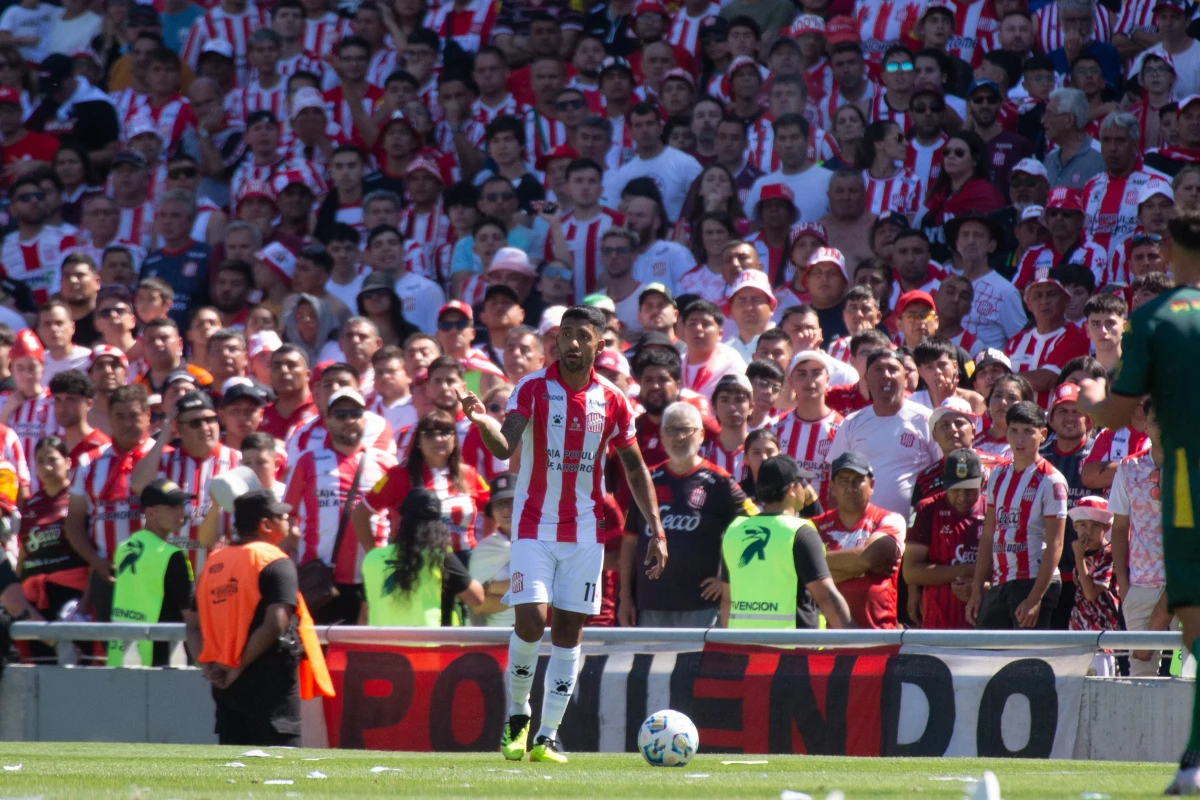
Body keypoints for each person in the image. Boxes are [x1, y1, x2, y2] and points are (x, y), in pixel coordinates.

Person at [457, 305, 666, 764]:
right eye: (564, 335)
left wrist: (656, 528)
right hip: (533, 525)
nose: (571, 344)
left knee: (570, 630)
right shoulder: (531, 389)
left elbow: (635, 468)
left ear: (599, 344)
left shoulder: (612, 399)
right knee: (531, 619)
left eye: (581, 336)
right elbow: (505, 445)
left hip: (586, 531)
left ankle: (548, 735)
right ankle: (518, 715)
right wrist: (481, 421)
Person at [188, 489, 334, 746]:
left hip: (223, 681)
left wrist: (208, 666)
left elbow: (192, 624)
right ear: (266, 524)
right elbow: (276, 621)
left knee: (234, 767)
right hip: (268, 679)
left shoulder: (213, 562)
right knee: (279, 766)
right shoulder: (274, 560)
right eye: (281, 515)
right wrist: (237, 667)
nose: (288, 519)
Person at [620, 401, 757, 628]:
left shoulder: (720, 482)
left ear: (702, 435)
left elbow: (754, 529)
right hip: (651, 603)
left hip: (701, 606)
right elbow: (630, 542)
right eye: (672, 430)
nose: (680, 437)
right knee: (650, 664)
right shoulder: (646, 482)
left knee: (694, 664)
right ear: (662, 436)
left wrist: (727, 579)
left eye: (687, 430)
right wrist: (625, 597)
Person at [284, 387, 398, 625]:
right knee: (320, 655)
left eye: (355, 413)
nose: (349, 420)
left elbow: (399, 519)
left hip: (372, 577)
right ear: (326, 421)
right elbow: (287, 518)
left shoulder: (386, 463)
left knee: (366, 655)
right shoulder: (307, 461)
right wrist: (307, 549)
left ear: (365, 419)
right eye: (341, 414)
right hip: (321, 581)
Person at [966, 401, 1068, 630]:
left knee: (1026, 662)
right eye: (1013, 431)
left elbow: (1056, 543)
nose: (1019, 439)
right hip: (1000, 581)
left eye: (1028, 432)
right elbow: (988, 535)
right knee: (990, 659)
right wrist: (976, 590)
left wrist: (1035, 598)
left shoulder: (1052, 480)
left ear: (1042, 435)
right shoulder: (998, 475)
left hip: (1033, 580)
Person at [720, 454, 853, 629]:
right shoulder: (800, 532)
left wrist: (727, 646)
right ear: (792, 489)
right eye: (802, 483)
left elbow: (727, 600)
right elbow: (826, 597)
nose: (805, 489)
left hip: (743, 647)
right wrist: (854, 642)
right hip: (792, 649)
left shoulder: (735, 530)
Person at [828, 350, 940, 516]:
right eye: (878, 370)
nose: (886, 375)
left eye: (893, 369)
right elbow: (835, 480)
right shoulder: (852, 423)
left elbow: (941, 469)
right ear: (866, 378)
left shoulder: (927, 419)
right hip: (863, 527)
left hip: (914, 528)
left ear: (905, 375)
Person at [359, 487, 486, 626]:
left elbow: (364, 617)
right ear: (439, 525)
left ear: (401, 520)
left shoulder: (372, 558)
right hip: (428, 645)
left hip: (383, 645)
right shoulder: (438, 557)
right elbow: (477, 598)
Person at [107, 478, 197, 667]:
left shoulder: (124, 548)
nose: (181, 512)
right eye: (173, 506)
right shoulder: (173, 556)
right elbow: (191, 618)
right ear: (151, 513)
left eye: (182, 505)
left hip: (121, 653)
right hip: (163, 659)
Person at [811, 451, 906, 629]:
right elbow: (799, 572)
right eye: (843, 481)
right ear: (832, 486)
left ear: (872, 485)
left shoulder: (890, 519)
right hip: (825, 640)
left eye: (857, 480)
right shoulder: (812, 527)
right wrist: (862, 568)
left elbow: (867, 558)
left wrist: (815, 569)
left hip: (879, 637)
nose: (850, 488)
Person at [1108, 398, 1167, 678]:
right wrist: (1123, 584)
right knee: (1140, 674)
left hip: (1189, 587)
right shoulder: (1128, 468)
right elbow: (1119, 528)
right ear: (1144, 424)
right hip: (1140, 585)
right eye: (1156, 420)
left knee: (1191, 673)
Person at [905, 448, 986, 630]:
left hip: (986, 626)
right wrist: (966, 570)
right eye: (955, 489)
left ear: (982, 482)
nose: (962, 497)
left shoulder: (994, 509)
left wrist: (981, 586)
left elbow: (1007, 569)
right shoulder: (928, 509)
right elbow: (910, 571)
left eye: (970, 489)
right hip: (938, 626)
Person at [772, 350, 843, 508]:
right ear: (790, 381)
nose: (809, 381)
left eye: (816, 373)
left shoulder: (843, 428)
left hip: (825, 521)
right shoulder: (775, 427)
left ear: (828, 380)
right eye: (801, 374)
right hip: (785, 519)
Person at [1067, 495, 1121, 674]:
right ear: (1075, 526)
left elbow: (1091, 593)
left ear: (1106, 527)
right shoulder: (1084, 553)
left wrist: (1078, 557)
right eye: (1083, 525)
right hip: (1079, 629)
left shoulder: (1108, 554)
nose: (1087, 531)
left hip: (1101, 632)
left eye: (1095, 525)